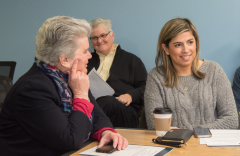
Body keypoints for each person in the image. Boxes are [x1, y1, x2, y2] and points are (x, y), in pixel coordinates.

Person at [0, 16, 128, 156]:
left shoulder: (68, 77)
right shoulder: (32, 89)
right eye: (85, 51)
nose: (89, 56)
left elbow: (97, 115)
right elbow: (71, 139)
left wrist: (105, 131)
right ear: (65, 60)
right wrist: (80, 95)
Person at [144, 18, 239, 130]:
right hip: (173, 144)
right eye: (178, 45)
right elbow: (154, 124)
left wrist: (193, 132)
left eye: (190, 42)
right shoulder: (156, 76)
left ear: (196, 43)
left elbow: (231, 119)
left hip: (210, 144)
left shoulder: (214, 70)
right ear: (166, 49)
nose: (186, 50)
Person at [87, 18, 147, 128]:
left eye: (103, 35)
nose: (99, 41)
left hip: (124, 111)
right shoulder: (86, 61)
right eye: (94, 38)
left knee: (108, 102)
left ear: (112, 35)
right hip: (92, 106)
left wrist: (130, 96)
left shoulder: (132, 60)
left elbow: (147, 88)